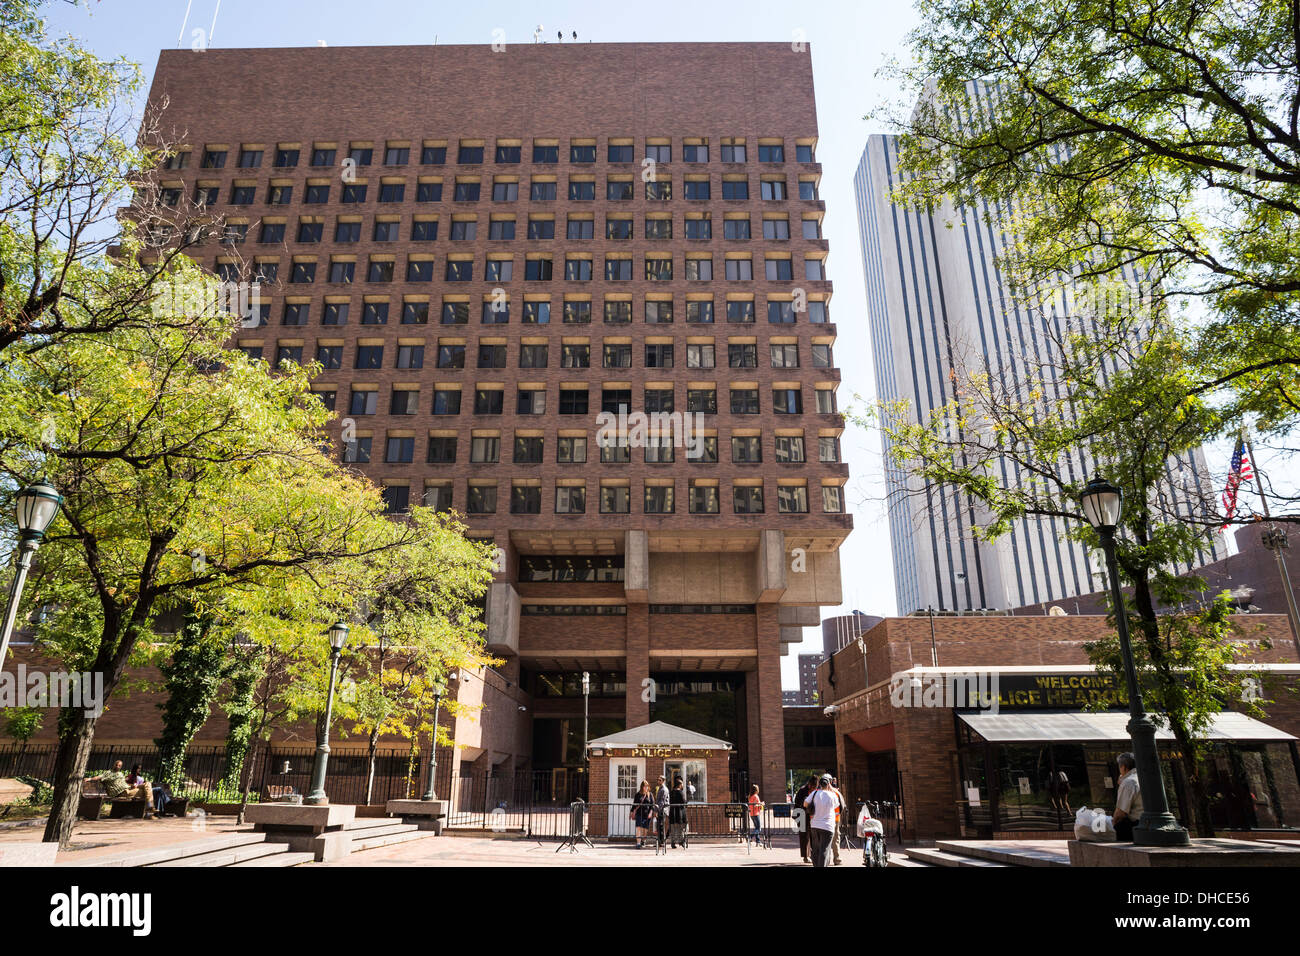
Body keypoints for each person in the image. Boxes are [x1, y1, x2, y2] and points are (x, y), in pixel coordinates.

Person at [803, 774, 840, 867]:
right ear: (828, 784)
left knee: (815, 849)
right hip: (828, 826)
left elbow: (805, 803)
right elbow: (837, 805)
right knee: (824, 849)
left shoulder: (814, 793)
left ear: (820, 784)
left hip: (815, 824)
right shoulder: (832, 795)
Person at [1113, 752, 1141, 842]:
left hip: (1135, 826)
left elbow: (1120, 813)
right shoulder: (1142, 777)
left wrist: (1111, 825)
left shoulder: (1129, 782)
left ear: (1123, 767)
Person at [793, 774, 818, 862]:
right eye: (813, 787)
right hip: (801, 815)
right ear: (809, 784)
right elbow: (797, 803)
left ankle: (813, 855)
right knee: (804, 836)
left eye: (815, 787)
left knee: (812, 835)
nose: (813, 789)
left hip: (811, 816)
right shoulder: (802, 790)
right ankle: (806, 856)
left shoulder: (816, 791)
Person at [631, 780, 655, 848]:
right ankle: (638, 843)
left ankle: (643, 841)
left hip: (647, 814)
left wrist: (650, 813)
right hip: (639, 814)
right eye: (645, 786)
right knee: (638, 828)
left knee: (645, 829)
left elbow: (652, 805)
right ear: (642, 787)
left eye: (647, 786)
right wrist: (631, 812)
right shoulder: (638, 795)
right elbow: (634, 805)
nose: (646, 787)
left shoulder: (650, 795)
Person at [829, 777, 846, 865]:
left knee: (825, 840)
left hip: (823, 821)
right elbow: (842, 806)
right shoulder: (836, 792)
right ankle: (837, 859)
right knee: (835, 839)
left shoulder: (818, 793)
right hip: (835, 819)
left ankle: (825, 859)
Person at [668, 777, 688, 848]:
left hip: (672, 812)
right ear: (679, 785)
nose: (682, 785)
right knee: (681, 827)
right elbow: (684, 802)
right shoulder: (680, 792)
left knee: (673, 827)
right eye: (682, 784)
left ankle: (673, 842)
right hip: (680, 812)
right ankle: (681, 841)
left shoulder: (672, 792)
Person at [653, 775, 670, 847]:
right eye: (658, 780)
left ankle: (662, 842)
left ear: (663, 781)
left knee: (661, 826)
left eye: (660, 780)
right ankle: (659, 842)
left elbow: (662, 802)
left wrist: (656, 811)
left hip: (662, 810)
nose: (658, 781)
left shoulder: (664, 789)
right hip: (660, 809)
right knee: (659, 826)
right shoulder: (660, 788)